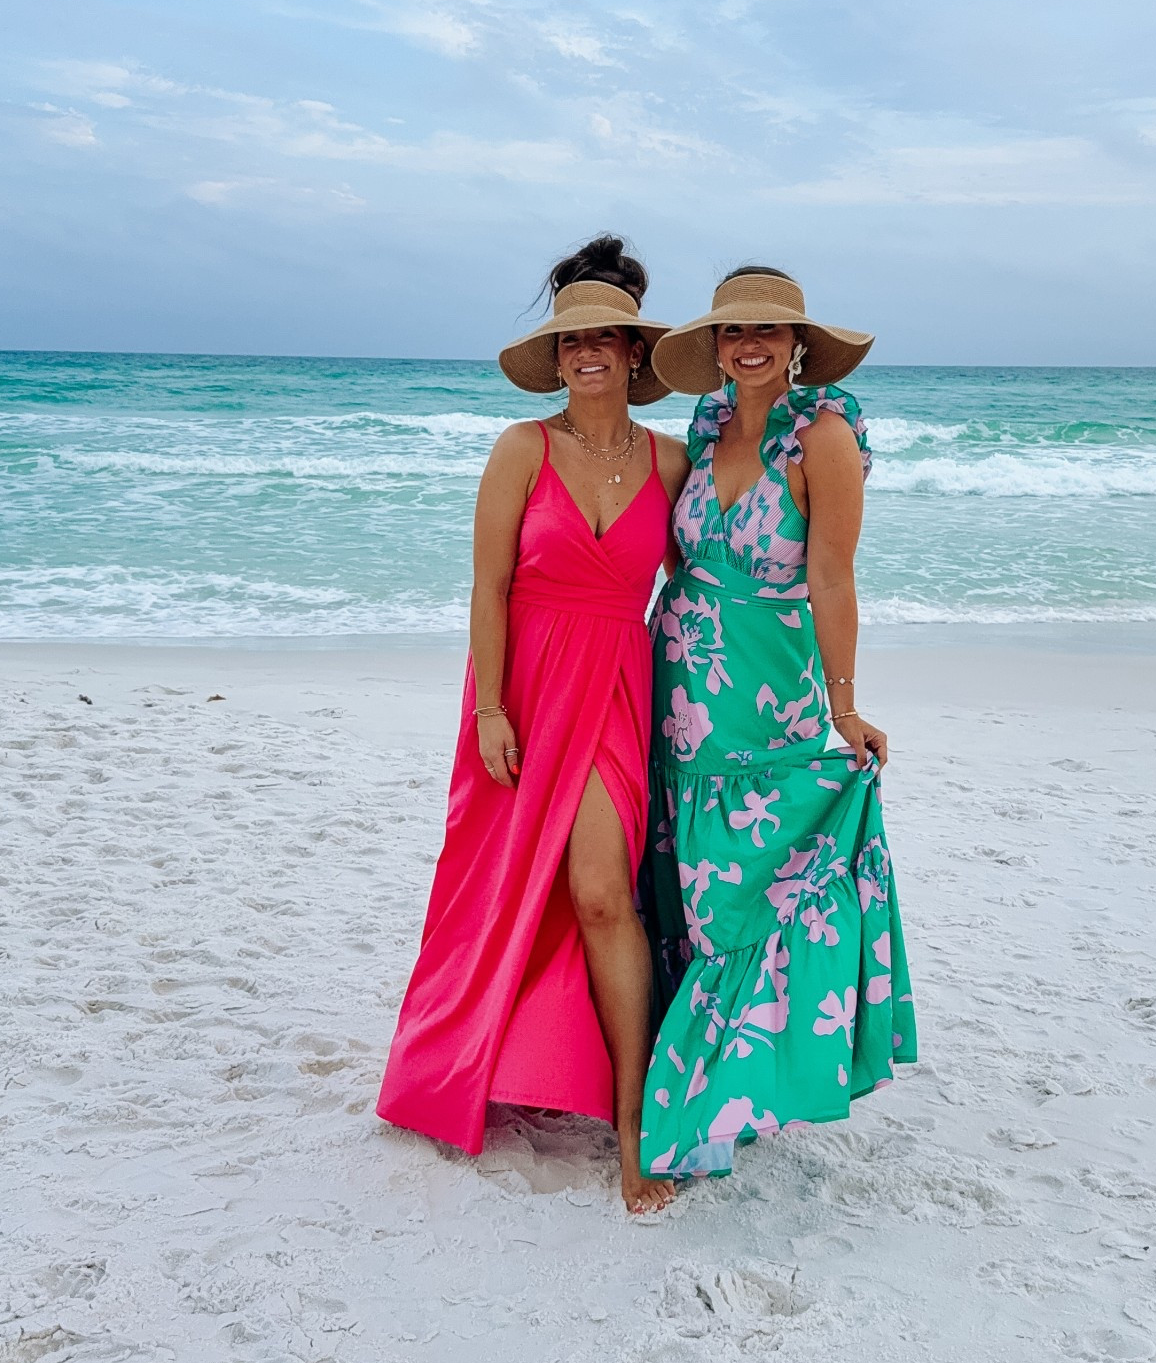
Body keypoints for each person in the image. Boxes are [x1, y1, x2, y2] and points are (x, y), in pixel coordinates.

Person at [376, 237, 689, 1212]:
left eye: (604, 337)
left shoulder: (673, 460)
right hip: (529, 689)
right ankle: (496, 1062)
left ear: (635, 351)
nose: (587, 353)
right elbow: (491, 583)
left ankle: (639, 1125)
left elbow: (720, 585)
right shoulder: (522, 449)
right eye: (570, 341)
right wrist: (490, 707)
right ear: (555, 357)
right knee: (506, 890)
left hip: (623, 686)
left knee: (603, 892)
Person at [637, 267, 917, 1178]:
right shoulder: (708, 424)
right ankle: (693, 1061)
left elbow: (832, 577)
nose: (746, 344)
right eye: (730, 332)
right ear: (714, 348)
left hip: (766, 699)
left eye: (766, 329)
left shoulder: (823, 437)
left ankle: (729, 1083)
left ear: (797, 344)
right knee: (687, 882)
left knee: (748, 888)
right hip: (679, 688)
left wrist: (843, 706)